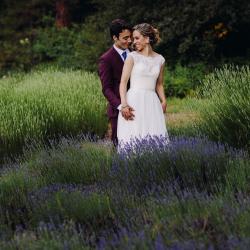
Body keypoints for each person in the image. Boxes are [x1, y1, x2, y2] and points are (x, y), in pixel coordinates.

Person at [117, 23, 169, 148]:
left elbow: (159, 84)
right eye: (133, 38)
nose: (133, 42)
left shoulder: (160, 60)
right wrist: (124, 105)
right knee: (133, 137)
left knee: (155, 136)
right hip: (134, 101)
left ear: (147, 39)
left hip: (152, 102)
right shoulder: (132, 57)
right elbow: (123, 82)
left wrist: (163, 100)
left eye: (136, 38)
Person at [98, 19, 134, 146]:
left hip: (138, 105)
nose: (129, 41)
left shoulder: (136, 54)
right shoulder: (106, 59)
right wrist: (121, 106)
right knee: (119, 146)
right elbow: (106, 89)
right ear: (115, 37)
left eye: (130, 37)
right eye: (125, 38)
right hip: (118, 111)